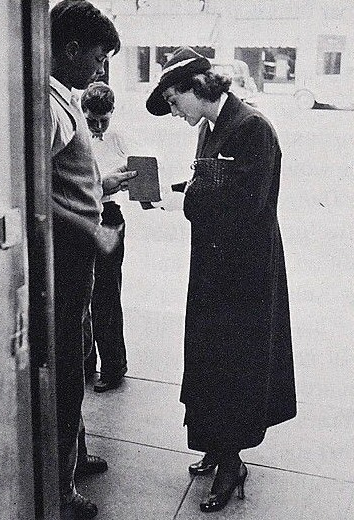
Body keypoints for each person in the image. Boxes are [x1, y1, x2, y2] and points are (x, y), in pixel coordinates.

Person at [146, 47, 297, 513]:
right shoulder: (212, 127)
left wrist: (183, 204)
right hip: (215, 266)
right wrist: (166, 189)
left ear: (198, 87)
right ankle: (214, 442)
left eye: (174, 101)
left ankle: (231, 462)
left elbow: (243, 205)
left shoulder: (252, 128)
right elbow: (210, 184)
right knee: (210, 354)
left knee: (235, 361)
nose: (174, 111)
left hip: (245, 273)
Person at [50, 2, 135, 518]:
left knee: (76, 354)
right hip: (67, 257)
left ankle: (74, 457)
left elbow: (63, 181)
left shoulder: (66, 100)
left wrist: (97, 188)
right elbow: (29, 189)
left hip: (78, 255)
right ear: (72, 49)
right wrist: (90, 228)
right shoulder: (51, 105)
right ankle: (61, 489)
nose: (100, 70)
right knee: (66, 367)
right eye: (99, 58)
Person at [81, 82, 128, 393]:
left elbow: (140, 172)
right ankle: (85, 362)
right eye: (92, 120)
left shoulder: (119, 137)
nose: (98, 127)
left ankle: (113, 366)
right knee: (79, 292)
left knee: (107, 293)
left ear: (112, 114)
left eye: (104, 120)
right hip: (83, 216)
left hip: (108, 218)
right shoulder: (76, 133)